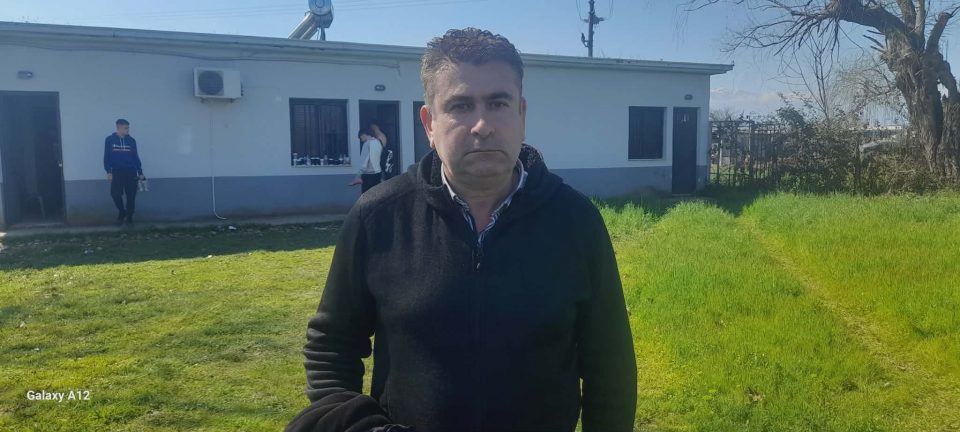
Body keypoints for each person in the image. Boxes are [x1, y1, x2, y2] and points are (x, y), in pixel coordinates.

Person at [291, 28, 636, 432]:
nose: (482, 125)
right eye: (460, 105)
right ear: (429, 124)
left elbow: (610, 365)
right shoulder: (377, 217)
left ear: (522, 114)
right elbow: (332, 346)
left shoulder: (576, 222)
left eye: (498, 103)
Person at [103, 118, 144, 225]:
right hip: (117, 172)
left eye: (128, 128)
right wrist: (108, 171)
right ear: (119, 128)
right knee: (115, 194)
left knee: (131, 196)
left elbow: (135, 157)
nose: (128, 130)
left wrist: (140, 172)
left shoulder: (131, 141)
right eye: (126, 128)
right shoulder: (109, 140)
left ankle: (129, 217)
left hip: (131, 172)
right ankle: (122, 212)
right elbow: (106, 157)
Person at [349, 128, 383, 193]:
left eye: (360, 138)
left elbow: (364, 162)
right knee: (376, 195)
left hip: (368, 175)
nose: (361, 140)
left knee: (366, 196)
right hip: (378, 173)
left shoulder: (367, 144)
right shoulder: (378, 142)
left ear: (363, 134)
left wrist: (358, 176)